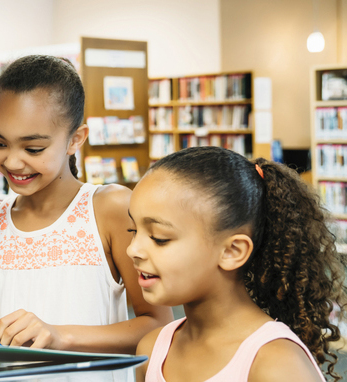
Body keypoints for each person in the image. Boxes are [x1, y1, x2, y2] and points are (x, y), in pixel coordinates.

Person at [0, 56, 173, 376]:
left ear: (76, 139)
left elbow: (157, 326)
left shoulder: (110, 208)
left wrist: (62, 336)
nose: (13, 162)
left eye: (33, 149)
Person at [128, 147, 346, 382]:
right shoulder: (152, 349)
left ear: (232, 251)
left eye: (159, 238)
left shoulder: (276, 364)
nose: (132, 250)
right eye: (133, 231)